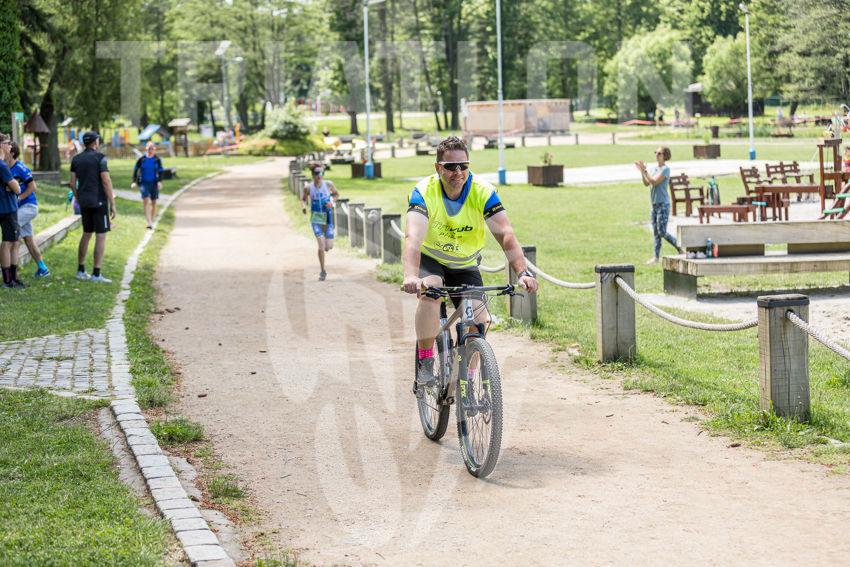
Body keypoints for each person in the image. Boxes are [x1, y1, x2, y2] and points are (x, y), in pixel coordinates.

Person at [401, 136, 538, 390]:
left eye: (463, 166)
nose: (458, 172)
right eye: (450, 166)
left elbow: (506, 234)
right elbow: (413, 238)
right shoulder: (424, 192)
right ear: (438, 167)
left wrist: (522, 272)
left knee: (479, 320)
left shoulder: (482, 191)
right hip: (431, 259)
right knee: (431, 292)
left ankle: (469, 376)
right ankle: (426, 361)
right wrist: (410, 275)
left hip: (464, 263)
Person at [69, 131, 117, 283]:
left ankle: (81, 270)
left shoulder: (76, 159)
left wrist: (78, 197)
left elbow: (72, 183)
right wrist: (112, 203)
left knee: (86, 233)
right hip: (99, 202)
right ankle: (96, 274)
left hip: (84, 202)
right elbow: (106, 181)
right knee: (100, 235)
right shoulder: (100, 158)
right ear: (95, 142)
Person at [7, 142, 50, 278]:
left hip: (29, 207)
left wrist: (19, 198)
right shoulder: (6, 168)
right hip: (20, 209)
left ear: (12, 152)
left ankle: (12, 273)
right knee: (28, 240)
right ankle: (43, 269)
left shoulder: (20, 168)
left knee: (11, 236)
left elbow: (33, 187)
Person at [634, 146, 683, 264]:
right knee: (656, 232)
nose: (656, 154)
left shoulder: (666, 169)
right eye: (655, 152)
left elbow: (655, 182)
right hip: (654, 204)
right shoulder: (654, 169)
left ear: (665, 156)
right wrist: (642, 172)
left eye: (659, 153)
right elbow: (647, 183)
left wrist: (645, 171)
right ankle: (656, 257)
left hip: (663, 204)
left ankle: (679, 247)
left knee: (662, 231)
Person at [301, 166, 339, 281]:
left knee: (328, 246)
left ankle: (326, 245)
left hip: (327, 219)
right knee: (321, 246)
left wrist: (331, 202)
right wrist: (304, 207)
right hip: (316, 219)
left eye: (321, 174)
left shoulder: (328, 184)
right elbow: (303, 199)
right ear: (313, 175)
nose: (319, 176)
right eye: (316, 174)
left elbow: (336, 194)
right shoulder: (308, 187)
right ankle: (323, 271)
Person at [0, 134, 23, 288]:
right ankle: (9, 281)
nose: (10, 145)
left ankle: (13, 278)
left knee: (14, 241)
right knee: (9, 242)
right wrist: (14, 185)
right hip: (7, 208)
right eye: (7, 143)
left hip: (5, 207)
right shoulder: (2, 166)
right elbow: (17, 189)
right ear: (1, 145)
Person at [132, 142, 164, 229]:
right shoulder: (141, 159)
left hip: (154, 183)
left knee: (154, 202)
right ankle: (149, 222)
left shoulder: (157, 160)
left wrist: (160, 181)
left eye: (152, 148)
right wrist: (134, 182)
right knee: (146, 200)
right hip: (144, 183)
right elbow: (135, 170)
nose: (150, 150)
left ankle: (151, 220)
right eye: (149, 148)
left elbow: (161, 171)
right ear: (146, 149)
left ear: (154, 149)